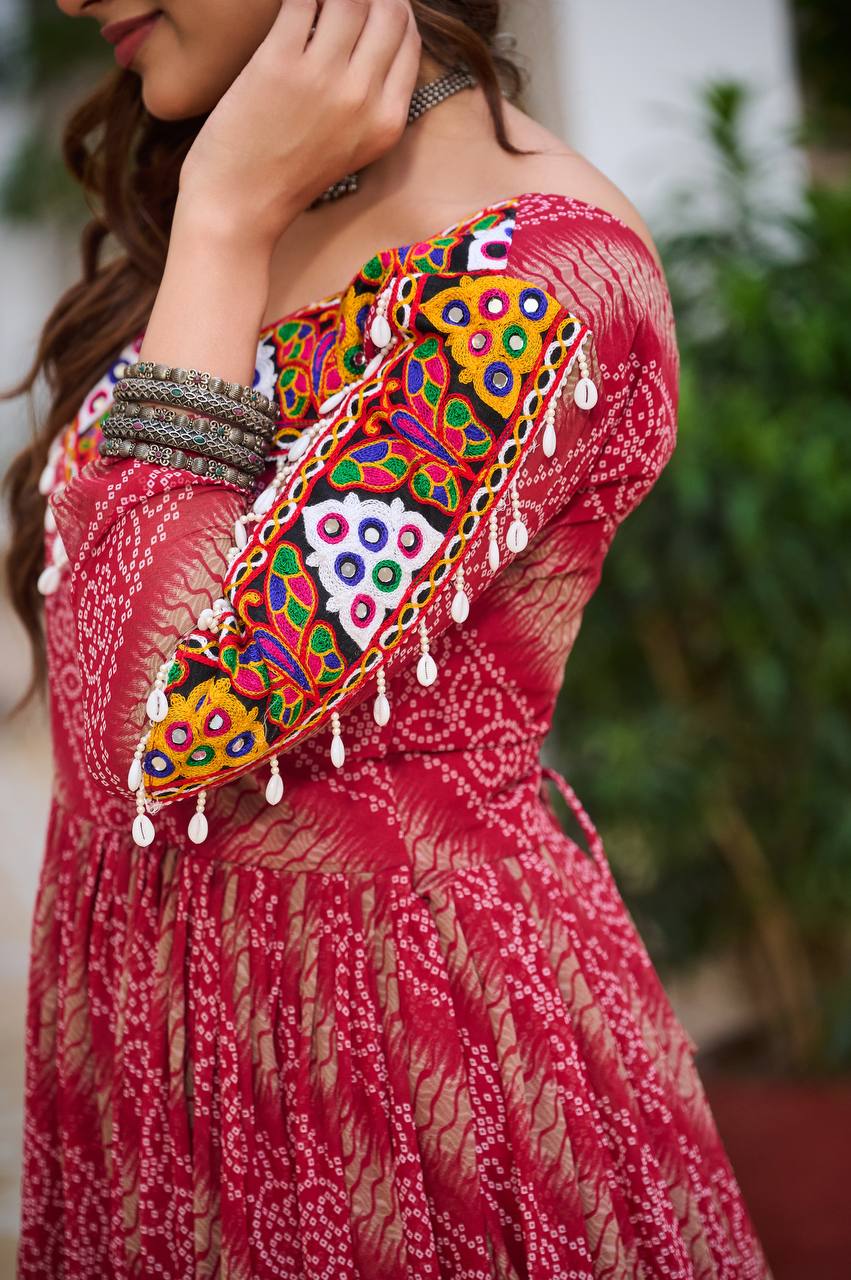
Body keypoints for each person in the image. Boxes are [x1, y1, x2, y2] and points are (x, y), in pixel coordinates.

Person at [5, 0, 771, 1275]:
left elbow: (150, 721)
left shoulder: (532, 276)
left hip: (393, 1083)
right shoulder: (266, 175)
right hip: (153, 1043)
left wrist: (220, 222)